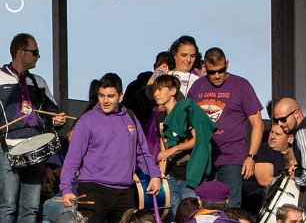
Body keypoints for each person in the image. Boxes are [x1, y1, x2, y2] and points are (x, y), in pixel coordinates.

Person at [0, 33, 66, 223]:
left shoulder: (38, 82)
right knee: (8, 205)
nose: (38, 56)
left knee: (30, 208)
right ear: (21, 52)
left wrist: (56, 120)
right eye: (35, 52)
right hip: (6, 148)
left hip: (36, 148)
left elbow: (52, 111)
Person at [60, 73, 162, 223]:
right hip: (92, 189)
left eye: (110, 96)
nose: (105, 101)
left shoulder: (131, 118)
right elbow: (72, 158)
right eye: (101, 96)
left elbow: (143, 153)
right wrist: (66, 189)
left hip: (125, 192)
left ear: (120, 96)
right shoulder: (87, 120)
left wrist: (155, 175)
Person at [187, 47, 264, 208]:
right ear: (204, 67)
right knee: (203, 208)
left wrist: (251, 157)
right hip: (204, 158)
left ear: (227, 64)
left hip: (232, 158)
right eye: (211, 72)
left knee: (231, 207)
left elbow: (258, 123)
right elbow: (188, 120)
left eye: (221, 71)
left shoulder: (241, 85)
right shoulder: (197, 87)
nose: (216, 76)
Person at [153, 75, 217, 221]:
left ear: (173, 91)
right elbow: (163, 148)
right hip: (171, 175)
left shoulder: (186, 110)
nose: (156, 93)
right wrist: (161, 175)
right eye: (155, 90)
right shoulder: (160, 119)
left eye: (160, 89)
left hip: (189, 174)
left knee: (191, 215)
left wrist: (174, 149)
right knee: (174, 216)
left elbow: (198, 139)